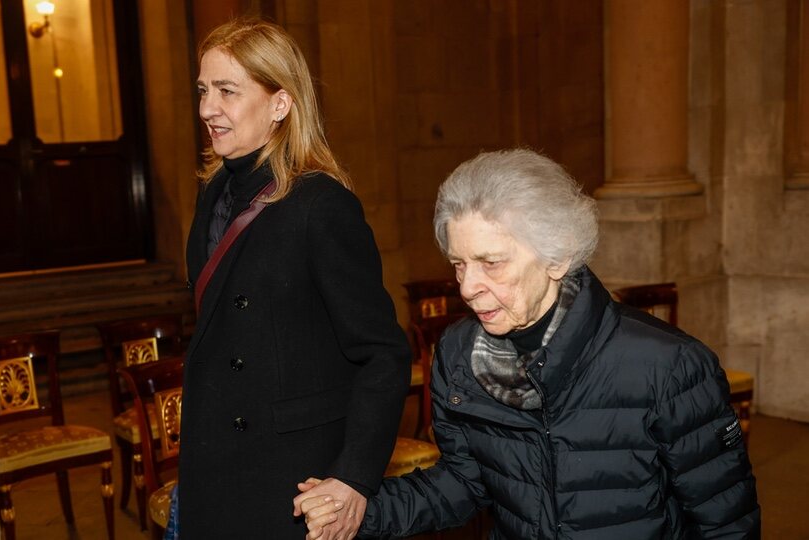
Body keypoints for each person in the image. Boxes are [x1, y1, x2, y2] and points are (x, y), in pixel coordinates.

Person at [297, 149, 760, 539]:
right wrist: (358, 509)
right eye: (458, 264)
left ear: (557, 255)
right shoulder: (460, 357)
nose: (468, 287)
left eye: (491, 262)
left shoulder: (669, 365)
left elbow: (726, 524)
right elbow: (466, 482)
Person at [178, 18, 411, 539]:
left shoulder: (321, 205)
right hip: (213, 468)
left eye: (227, 92)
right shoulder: (213, 195)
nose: (206, 109)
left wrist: (353, 477)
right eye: (203, 90)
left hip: (291, 483)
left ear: (280, 104)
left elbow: (383, 353)